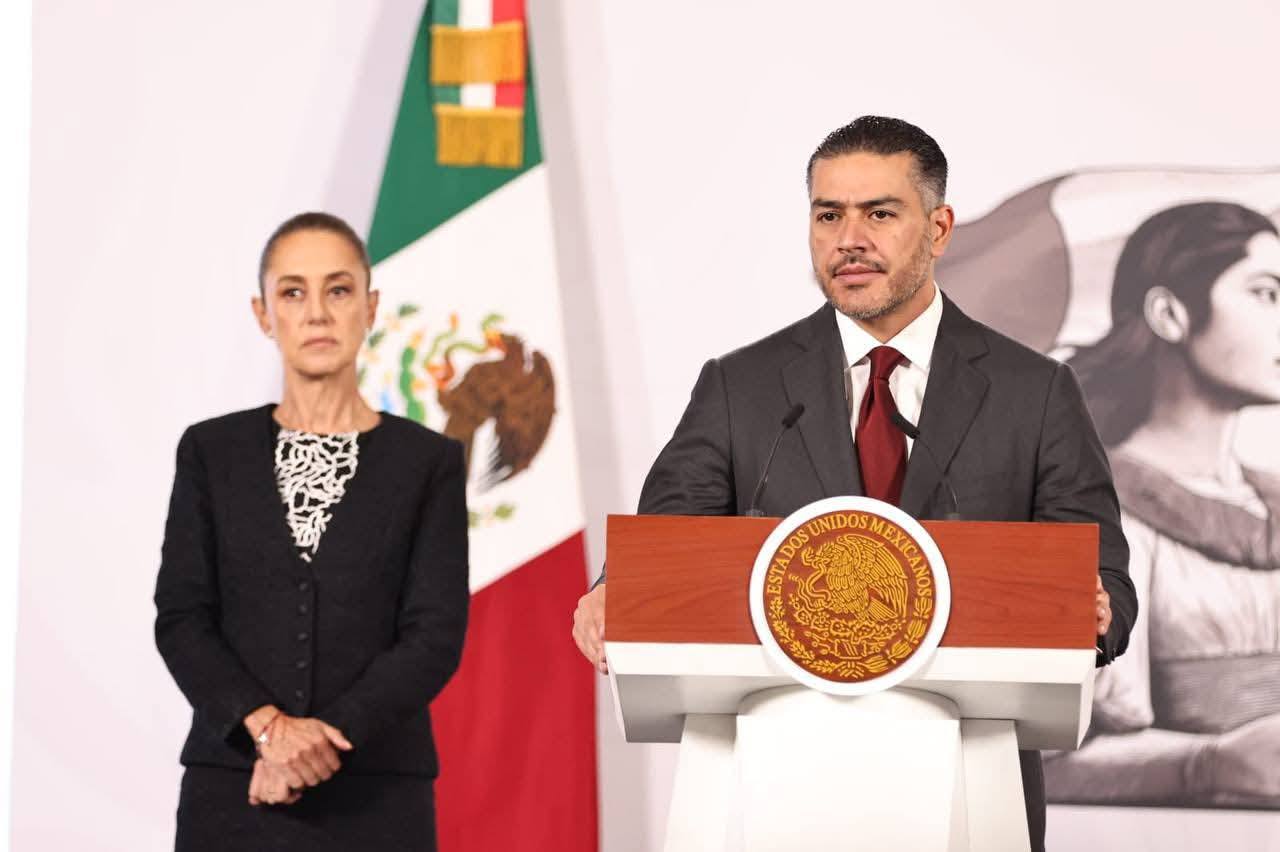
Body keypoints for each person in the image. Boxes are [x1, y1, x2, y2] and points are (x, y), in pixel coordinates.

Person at [570, 115, 1137, 850]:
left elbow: (1104, 578)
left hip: (970, 782)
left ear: (939, 229)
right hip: (771, 784)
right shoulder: (741, 387)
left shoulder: (1035, 391)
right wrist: (616, 592)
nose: (849, 239)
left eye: (880, 213)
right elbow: (667, 547)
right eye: (828, 215)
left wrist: (1094, 608)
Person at [154, 212, 469, 851]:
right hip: (232, 792)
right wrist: (267, 731)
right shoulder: (211, 453)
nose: (317, 313)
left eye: (339, 289)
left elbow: (433, 636)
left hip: (379, 800)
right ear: (263, 314)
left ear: (370, 306)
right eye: (293, 292)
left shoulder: (427, 463)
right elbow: (183, 617)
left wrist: (317, 742)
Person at [1044, 202, 1280, 807]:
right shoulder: (1098, 509)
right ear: (1170, 314)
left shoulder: (1268, 499)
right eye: (1267, 294)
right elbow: (1051, 756)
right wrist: (1212, 763)